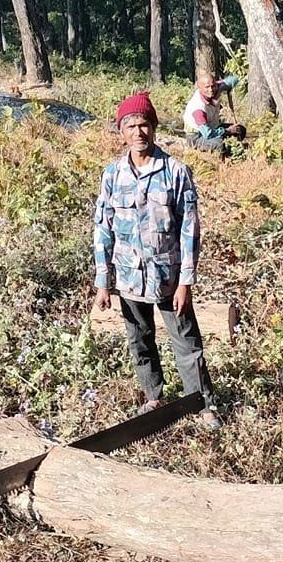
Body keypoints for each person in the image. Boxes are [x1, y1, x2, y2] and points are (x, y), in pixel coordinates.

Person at [94, 92, 219, 423]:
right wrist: (103, 282)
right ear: (121, 131)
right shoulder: (112, 175)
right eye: (131, 125)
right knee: (140, 340)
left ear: (154, 128)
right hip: (129, 277)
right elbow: (102, 229)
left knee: (187, 345)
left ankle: (202, 405)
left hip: (168, 279)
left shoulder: (176, 172)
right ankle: (154, 397)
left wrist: (185, 282)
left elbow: (189, 230)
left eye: (144, 124)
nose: (139, 132)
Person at [182, 73, 248, 154]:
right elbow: (208, 134)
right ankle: (228, 155)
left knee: (240, 130)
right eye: (207, 87)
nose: (211, 90)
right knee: (219, 144)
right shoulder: (198, 108)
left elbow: (233, 80)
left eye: (213, 86)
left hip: (213, 126)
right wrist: (228, 131)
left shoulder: (216, 87)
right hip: (197, 136)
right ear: (200, 88)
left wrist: (227, 86)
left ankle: (235, 148)